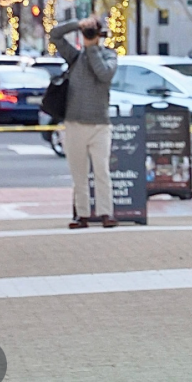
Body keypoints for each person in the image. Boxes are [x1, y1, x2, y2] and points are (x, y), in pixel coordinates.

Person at [50, 14, 119, 228]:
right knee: (78, 173)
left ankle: (106, 213)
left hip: (100, 124)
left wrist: (92, 48)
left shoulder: (109, 56)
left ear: (100, 35)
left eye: (92, 32)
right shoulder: (74, 57)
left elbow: (103, 74)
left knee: (102, 171)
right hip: (75, 123)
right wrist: (76, 24)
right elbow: (54, 35)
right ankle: (82, 214)